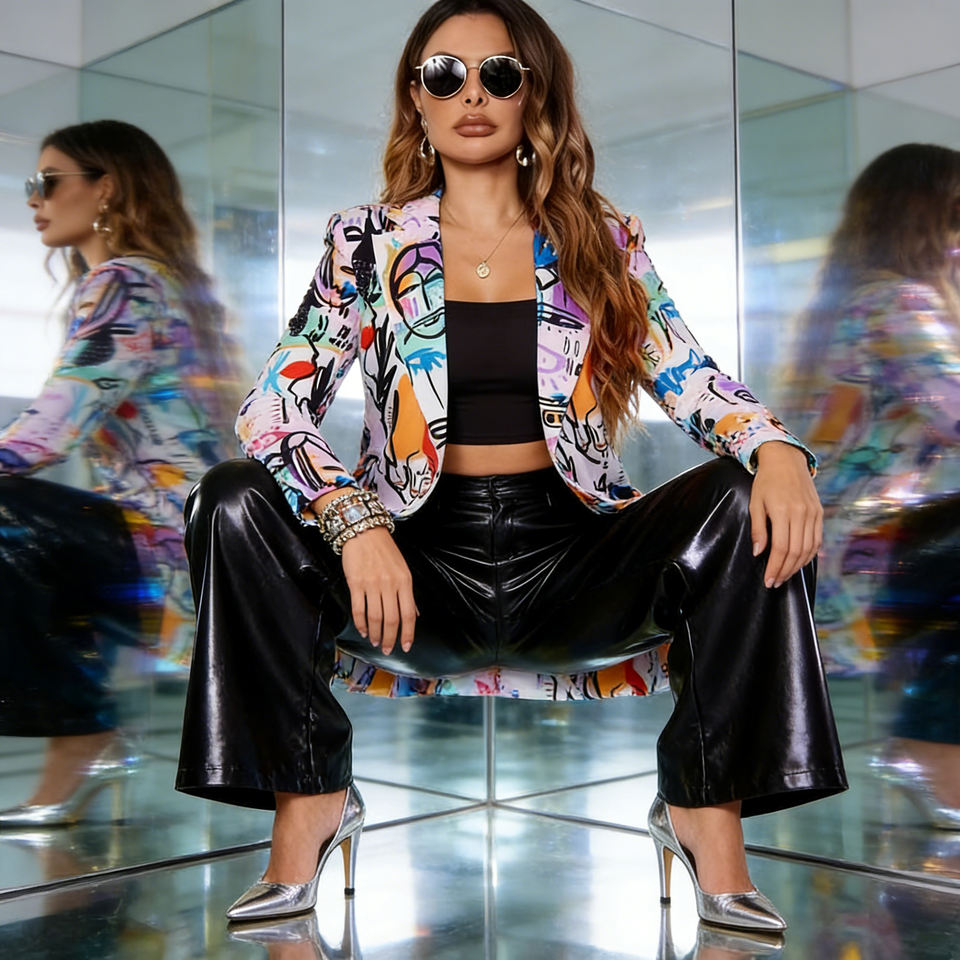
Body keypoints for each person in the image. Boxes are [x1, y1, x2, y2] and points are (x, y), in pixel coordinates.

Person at [176, 0, 847, 932]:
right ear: (416, 99)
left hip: (572, 562)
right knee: (231, 500)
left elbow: (688, 374)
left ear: (535, 94)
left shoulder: (602, 240)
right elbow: (271, 406)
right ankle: (310, 804)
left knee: (744, 498)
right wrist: (353, 521)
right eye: (444, 75)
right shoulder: (364, 242)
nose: (472, 95)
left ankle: (705, 815)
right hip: (410, 569)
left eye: (499, 74)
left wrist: (775, 449)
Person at [0, 120, 240, 826]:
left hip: (168, 550)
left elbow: (55, 423)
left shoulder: (127, 282)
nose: (35, 199)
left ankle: (85, 736)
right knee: (34, 536)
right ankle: (84, 745)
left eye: (49, 182)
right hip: (184, 543)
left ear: (105, 188)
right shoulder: (156, 282)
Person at [786, 143, 960, 827]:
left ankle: (924, 747)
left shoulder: (852, 301)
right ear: (928, 219)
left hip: (836, 544)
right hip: (868, 548)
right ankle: (929, 748)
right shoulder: (897, 303)